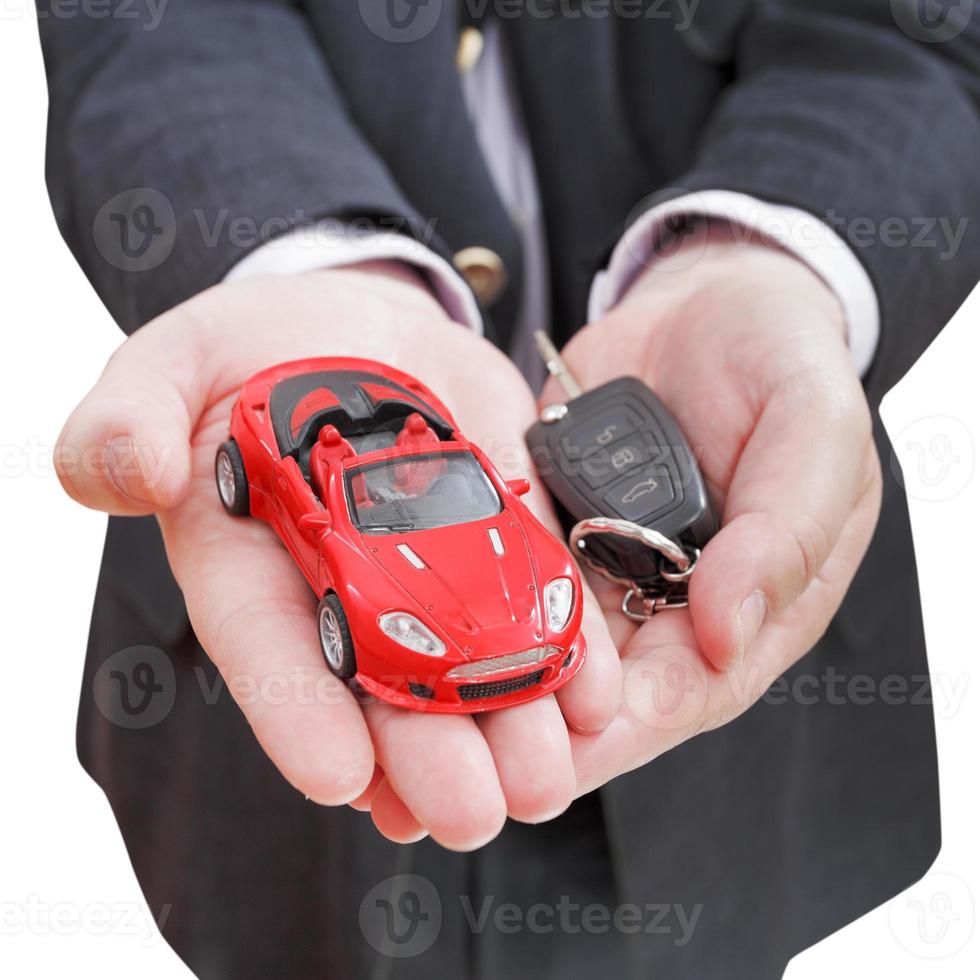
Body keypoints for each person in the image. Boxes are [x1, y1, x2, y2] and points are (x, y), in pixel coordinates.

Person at [38, 2, 980, 978]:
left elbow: (913, 30)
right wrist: (306, 250)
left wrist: (777, 255)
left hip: (731, 741)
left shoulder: (495, 506)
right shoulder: (311, 495)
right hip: (270, 766)